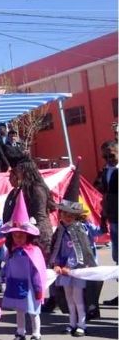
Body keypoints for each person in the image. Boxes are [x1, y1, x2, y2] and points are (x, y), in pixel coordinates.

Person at [50, 188, 96, 337]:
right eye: (65, 214)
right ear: (60, 214)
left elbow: (79, 251)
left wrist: (69, 266)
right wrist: (56, 264)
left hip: (76, 269)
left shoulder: (79, 229)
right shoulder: (60, 230)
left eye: (71, 215)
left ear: (76, 216)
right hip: (63, 270)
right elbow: (56, 248)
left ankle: (82, 324)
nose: (68, 217)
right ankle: (72, 323)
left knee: (78, 298)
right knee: (69, 298)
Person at [0, 190, 45, 340]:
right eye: (15, 235)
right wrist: (3, 275)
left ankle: (36, 333)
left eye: (21, 235)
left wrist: (39, 289)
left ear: (28, 235)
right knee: (19, 310)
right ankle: (20, 331)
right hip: (15, 284)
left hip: (31, 287)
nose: (18, 238)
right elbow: (7, 265)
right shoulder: (12, 251)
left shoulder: (34, 251)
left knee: (33, 310)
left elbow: (38, 271)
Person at [95, 140, 118, 286]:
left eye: (112, 156)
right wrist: (103, 218)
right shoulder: (106, 171)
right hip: (113, 218)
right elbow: (104, 195)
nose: (108, 160)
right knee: (117, 256)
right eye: (105, 157)